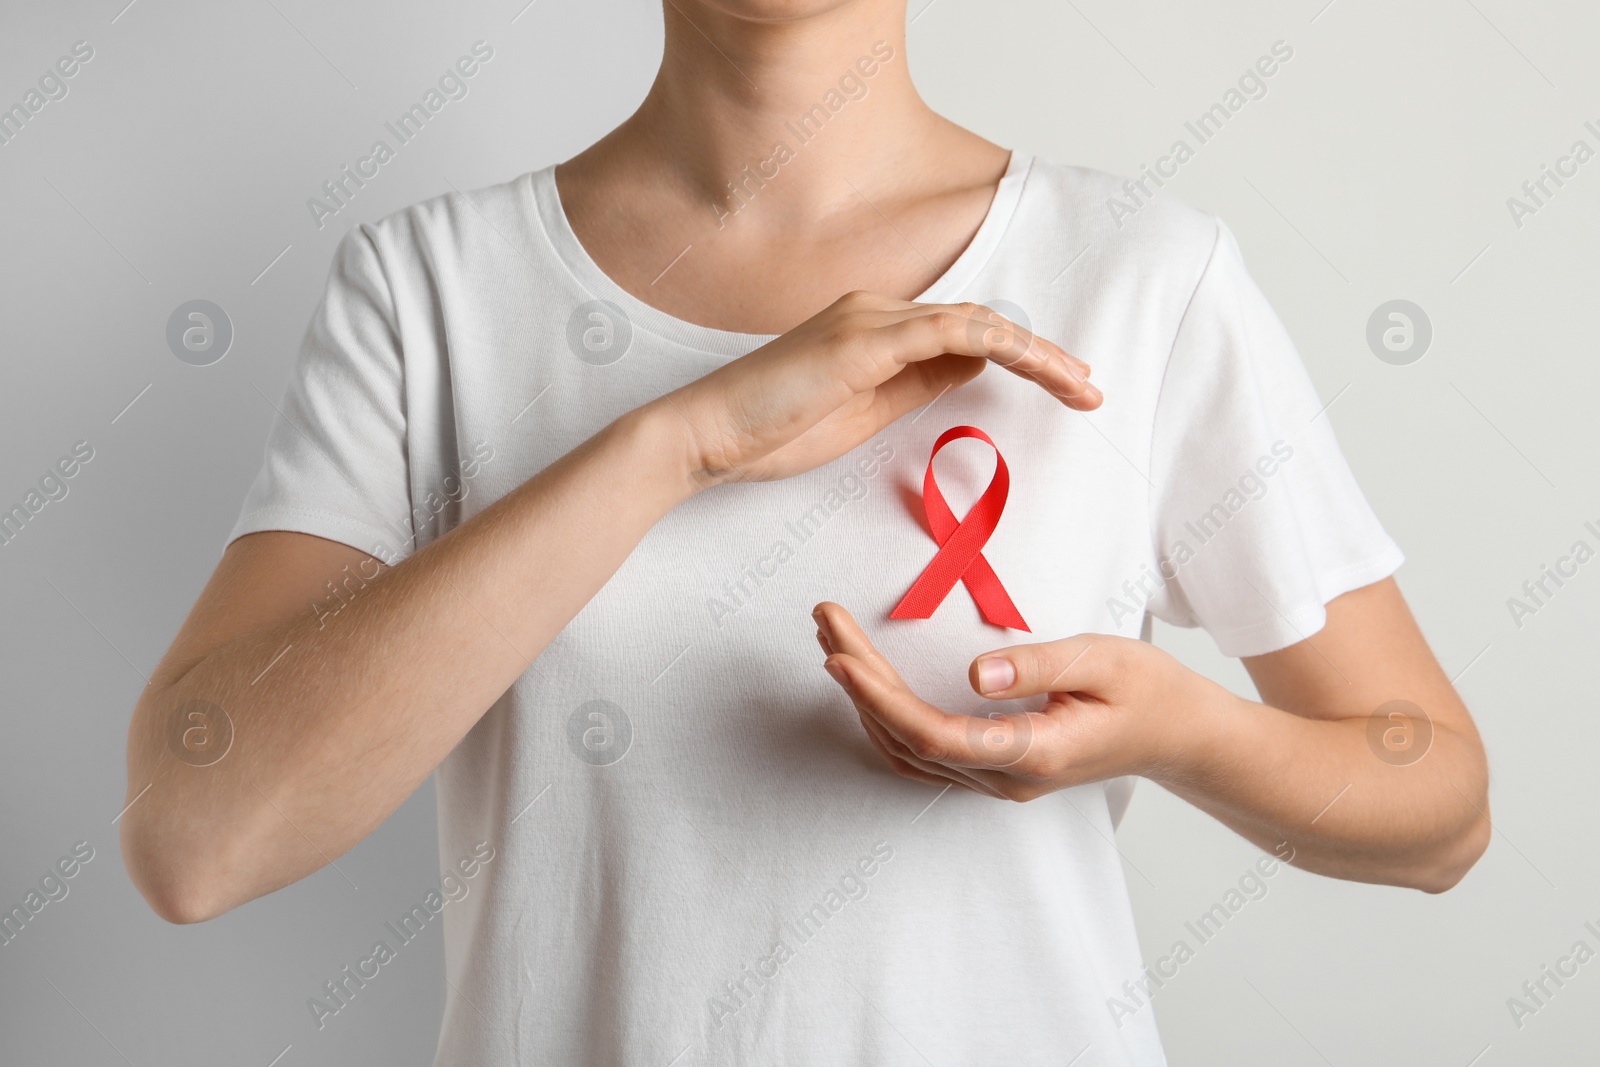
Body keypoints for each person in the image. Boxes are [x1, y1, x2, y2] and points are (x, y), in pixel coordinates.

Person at [121, 2, 1490, 1063]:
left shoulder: (1143, 275)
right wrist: (675, 443)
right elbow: (196, 836)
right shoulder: (429, 294)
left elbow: (1439, 807)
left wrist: (1177, 731)